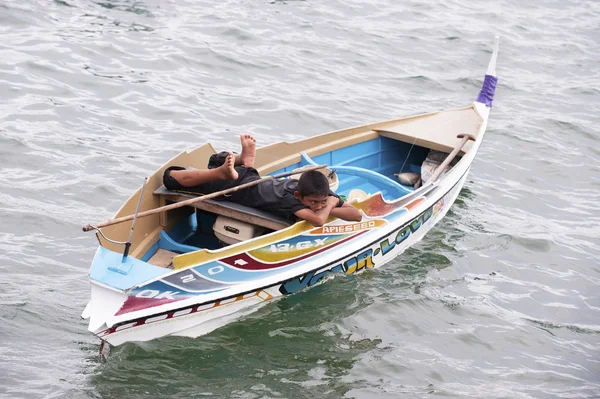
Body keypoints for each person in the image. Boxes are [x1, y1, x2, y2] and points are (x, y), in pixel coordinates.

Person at [163, 134, 362, 227]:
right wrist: (331, 204)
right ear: (298, 195)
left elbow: (357, 215)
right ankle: (222, 172)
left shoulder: (317, 192)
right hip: (236, 188)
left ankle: (244, 161)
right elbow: (318, 221)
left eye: (322, 201)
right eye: (313, 202)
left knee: (213, 161)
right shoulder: (292, 201)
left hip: (252, 178)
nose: (318, 206)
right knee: (171, 178)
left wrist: (330, 203)